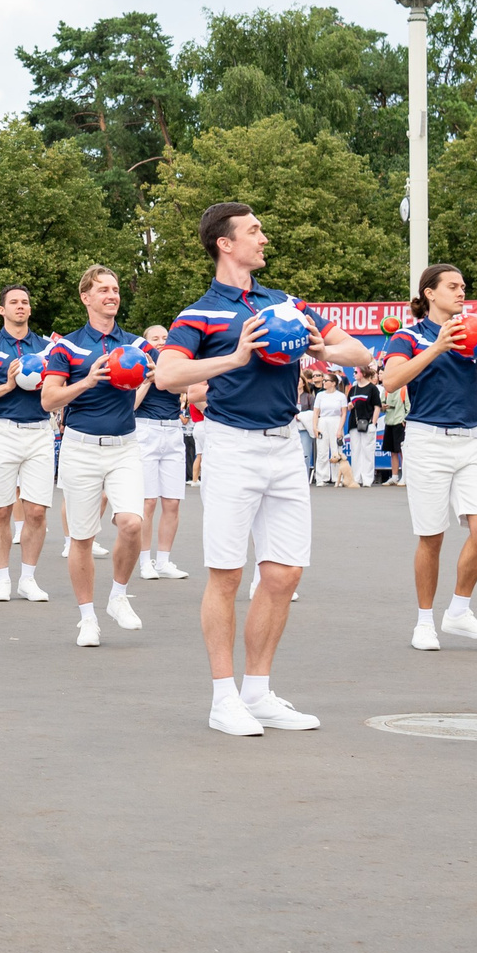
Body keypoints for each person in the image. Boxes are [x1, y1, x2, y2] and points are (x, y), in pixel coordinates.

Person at [156, 202, 373, 737]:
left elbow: (360, 350)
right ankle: (222, 697)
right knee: (227, 575)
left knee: (283, 574)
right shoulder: (199, 313)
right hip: (232, 447)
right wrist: (234, 357)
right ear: (224, 244)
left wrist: (325, 345)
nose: (264, 238)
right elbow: (167, 375)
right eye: (254, 231)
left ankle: (258, 691)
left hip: (284, 448)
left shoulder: (287, 304)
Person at [379, 265, 477, 651]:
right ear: (429, 293)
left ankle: (459, 611)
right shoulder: (407, 336)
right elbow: (392, 381)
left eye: (464, 286)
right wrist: (438, 346)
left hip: (468, 440)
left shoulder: (473, 335)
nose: (461, 292)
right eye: (452, 286)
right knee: (431, 537)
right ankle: (424, 622)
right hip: (426, 440)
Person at [47, 265, 158, 641]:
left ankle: (119, 596)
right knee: (81, 536)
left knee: (132, 523)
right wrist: (89, 379)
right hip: (80, 447)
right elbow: (49, 399)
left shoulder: (136, 346)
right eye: (103, 290)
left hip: (125, 446)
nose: (112, 295)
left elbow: (155, 374)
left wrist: (151, 374)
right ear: (86, 298)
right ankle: (87, 618)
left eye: (115, 289)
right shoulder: (67, 347)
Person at [0, 284, 62, 604]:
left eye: (25, 302)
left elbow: (62, 381)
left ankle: (28, 580)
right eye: (14, 302)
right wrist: (7, 385)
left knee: (35, 511)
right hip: (3, 431)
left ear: (30, 310)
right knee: (1, 510)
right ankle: (2, 579)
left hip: (39, 431)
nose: (20, 306)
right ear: (2, 310)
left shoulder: (48, 348)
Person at [134, 325, 195, 577]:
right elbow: (132, 404)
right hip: (145, 429)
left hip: (172, 432)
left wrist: (163, 375)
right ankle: (144, 561)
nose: (161, 341)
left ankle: (164, 561)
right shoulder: (135, 365)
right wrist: (148, 378)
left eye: (165, 338)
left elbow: (187, 390)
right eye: (155, 338)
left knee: (172, 502)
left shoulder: (177, 364)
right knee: (147, 502)